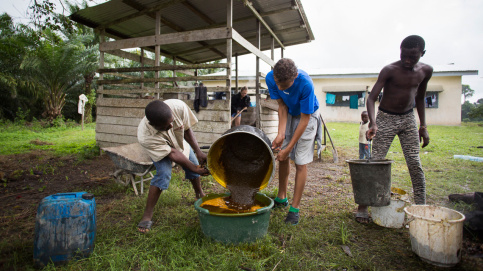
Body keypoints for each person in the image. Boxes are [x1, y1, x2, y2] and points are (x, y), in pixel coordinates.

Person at [358, 35, 432, 224]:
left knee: (415, 162)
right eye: (404, 55)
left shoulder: (426, 71)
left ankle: (421, 208)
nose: (407, 60)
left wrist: (422, 126)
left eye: (412, 57)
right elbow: (371, 98)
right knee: (376, 161)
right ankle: (363, 207)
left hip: (408, 119)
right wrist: (374, 123)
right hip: (386, 117)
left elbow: (420, 98)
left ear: (422, 54)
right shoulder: (390, 70)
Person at [137, 99, 210, 232]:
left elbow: (186, 129)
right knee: (163, 174)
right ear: (153, 124)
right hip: (161, 148)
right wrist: (194, 167)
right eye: (166, 126)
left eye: (171, 122)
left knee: (193, 162)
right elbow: (172, 153)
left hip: (178, 142)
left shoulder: (178, 107)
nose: (171, 126)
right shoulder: (146, 136)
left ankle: (199, 193)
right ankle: (147, 215)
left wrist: (198, 152)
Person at [266, 58, 320, 225]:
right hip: (289, 112)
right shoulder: (271, 77)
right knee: (283, 155)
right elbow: (282, 105)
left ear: (295, 76)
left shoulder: (305, 84)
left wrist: (289, 148)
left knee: (300, 162)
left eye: (285, 85)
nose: (280, 88)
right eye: (278, 84)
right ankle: (282, 197)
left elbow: (304, 120)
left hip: (307, 116)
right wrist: (281, 133)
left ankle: (295, 209)